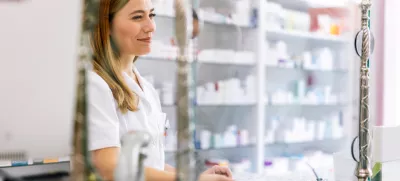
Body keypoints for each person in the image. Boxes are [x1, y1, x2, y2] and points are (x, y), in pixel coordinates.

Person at [87, 0, 233, 181]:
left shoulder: (146, 89)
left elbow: (152, 165)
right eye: (138, 17)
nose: (150, 27)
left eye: (151, 15)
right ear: (106, 25)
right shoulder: (95, 85)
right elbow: (108, 167)